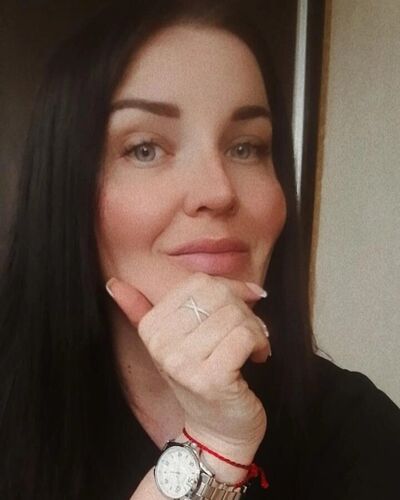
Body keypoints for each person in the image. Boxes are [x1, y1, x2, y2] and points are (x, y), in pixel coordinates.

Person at [0, 1, 399, 499]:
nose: (218, 191)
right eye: (145, 149)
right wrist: (212, 451)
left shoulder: (359, 431)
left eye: (246, 147)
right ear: (65, 189)